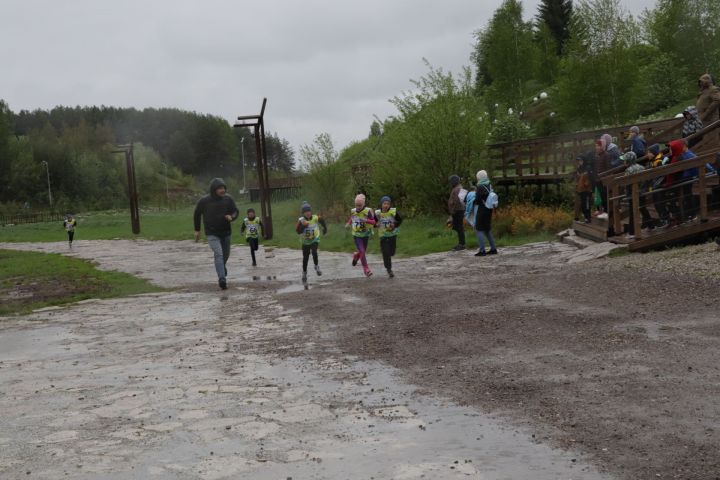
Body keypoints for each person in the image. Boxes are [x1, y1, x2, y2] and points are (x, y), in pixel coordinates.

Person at [193, 178, 239, 290]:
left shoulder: (228, 199)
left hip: (226, 232)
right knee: (219, 254)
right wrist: (197, 230)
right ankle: (222, 279)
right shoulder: (204, 201)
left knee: (225, 255)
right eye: (220, 188)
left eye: (224, 188)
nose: (223, 190)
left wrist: (231, 217)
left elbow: (235, 211)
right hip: (212, 233)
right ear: (214, 189)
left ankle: (221, 268)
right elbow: (197, 214)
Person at [620, 151, 652, 236]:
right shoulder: (641, 167)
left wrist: (626, 194)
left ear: (628, 160)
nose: (624, 162)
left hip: (632, 194)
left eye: (625, 160)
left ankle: (632, 232)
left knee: (632, 212)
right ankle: (651, 225)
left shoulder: (628, 170)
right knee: (643, 208)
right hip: (642, 192)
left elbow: (626, 183)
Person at [295, 202, 327, 282]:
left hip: (314, 239)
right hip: (305, 241)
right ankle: (304, 272)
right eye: (305, 212)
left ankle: (316, 266)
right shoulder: (301, 220)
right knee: (305, 258)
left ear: (311, 211)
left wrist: (324, 228)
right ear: (303, 213)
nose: (308, 213)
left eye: (309, 211)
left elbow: (322, 220)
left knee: (314, 252)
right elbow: (298, 231)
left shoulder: (315, 217)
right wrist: (303, 226)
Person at [346, 193, 376, 277]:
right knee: (362, 252)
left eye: (360, 205)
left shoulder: (368, 211)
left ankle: (356, 255)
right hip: (356, 235)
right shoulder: (353, 211)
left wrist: (366, 220)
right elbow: (352, 218)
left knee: (362, 252)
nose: (358, 207)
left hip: (365, 234)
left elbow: (373, 222)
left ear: (363, 204)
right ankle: (366, 269)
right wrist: (348, 223)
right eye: (356, 205)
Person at [375, 195, 403, 278]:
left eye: (388, 203)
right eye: (384, 203)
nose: (386, 205)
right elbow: (373, 222)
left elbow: (400, 220)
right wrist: (376, 224)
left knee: (392, 252)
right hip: (383, 235)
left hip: (392, 234)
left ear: (390, 204)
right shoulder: (377, 213)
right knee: (386, 252)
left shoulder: (393, 212)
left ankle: (389, 257)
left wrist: (394, 224)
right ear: (381, 204)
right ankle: (389, 269)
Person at [473, 170, 498, 257]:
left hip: (482, 209)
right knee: (487, 229)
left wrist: (473, 202)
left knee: (479, 229)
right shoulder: (489, 184)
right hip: (489, 209)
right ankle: (493, 248)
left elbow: (478, 200)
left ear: (478, 178)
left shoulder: (480, 186)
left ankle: (482, 250)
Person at [447, 174, 466, 251]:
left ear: (454, 182)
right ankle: (461, 243)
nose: (450, 183)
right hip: (458, 210)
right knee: (458, 227)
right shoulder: (458, 188)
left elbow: (457, 201)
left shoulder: (457, 189)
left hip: (458, 210)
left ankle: (461, 244)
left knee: (459, 227)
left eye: (451, 182)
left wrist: (453, 211)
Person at [575, 154, 593, 223]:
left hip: (587, 189)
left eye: (580, 160)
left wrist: (587, 184)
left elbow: (591, 177)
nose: (579, 162)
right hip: (581, 189)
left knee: (587, 204)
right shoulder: (579, 168)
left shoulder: (588, 167)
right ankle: (585, 217)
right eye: (578, 160)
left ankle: (588, 218)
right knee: (583, 204)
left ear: (584, 160)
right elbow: (577, 178)